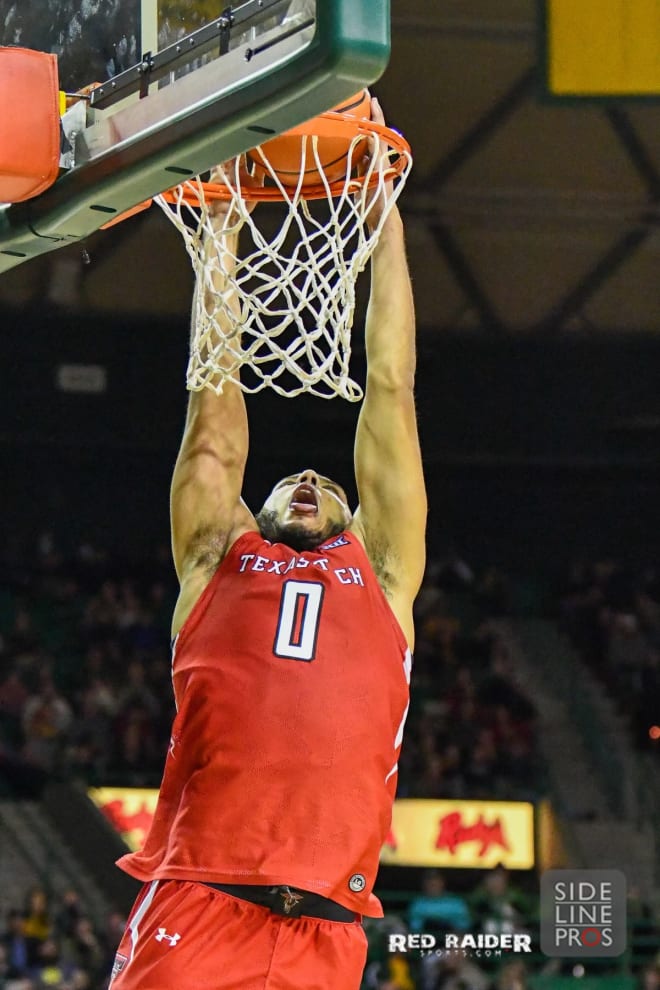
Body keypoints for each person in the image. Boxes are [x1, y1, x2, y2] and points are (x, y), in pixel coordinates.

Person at [110, 96, 426, 990]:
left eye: (324, 481)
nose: (309, 480)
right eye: (292, 481)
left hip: (329, 929)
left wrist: (383, 221)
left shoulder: (387, 571)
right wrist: (220, 234)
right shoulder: (218, 559)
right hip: (202, 900)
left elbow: (391, 389)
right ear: (262, 507)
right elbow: (213, 420)